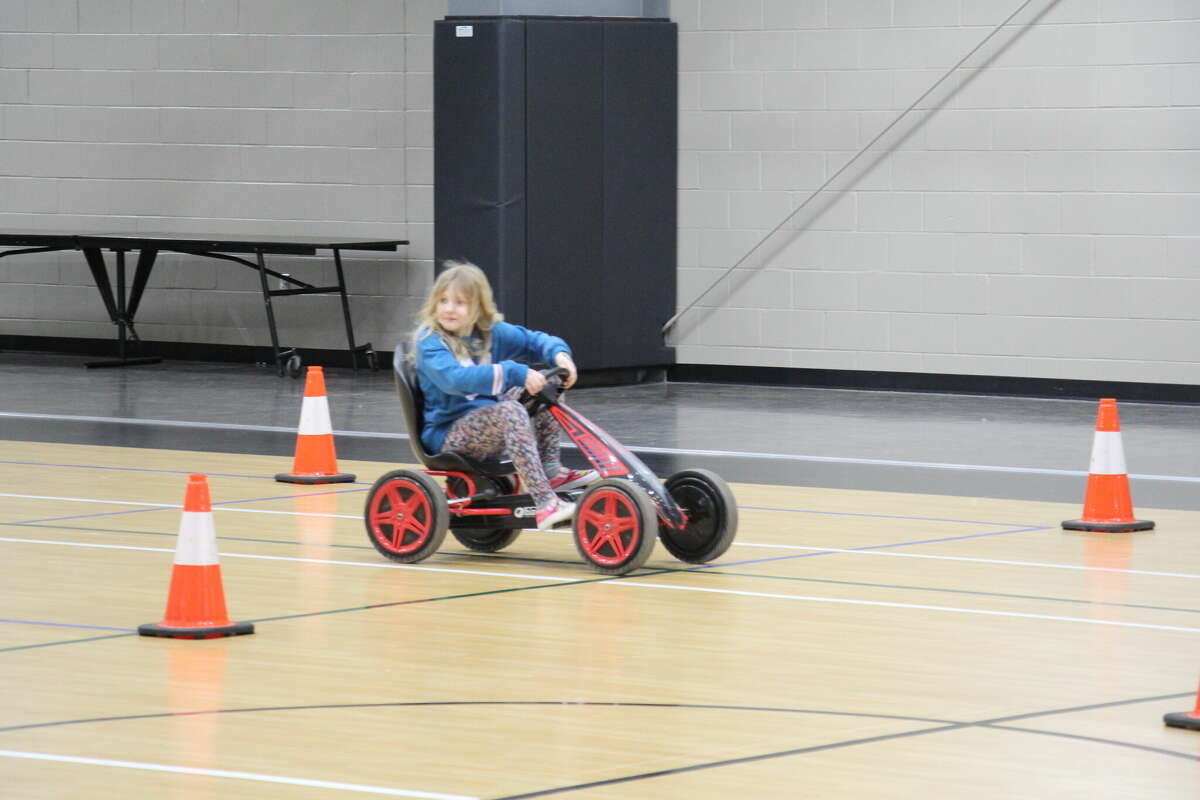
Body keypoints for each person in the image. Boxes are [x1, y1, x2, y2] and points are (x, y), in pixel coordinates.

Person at [411, 260, 598, 528]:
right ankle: (545, 503)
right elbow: (455, 379)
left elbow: (535, 340)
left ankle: (551, 471)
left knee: (550, 382)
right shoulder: (430, 342)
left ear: (478, 308)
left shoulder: (490, 334)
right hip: (448, 433)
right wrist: (514, 372)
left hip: (487, 421)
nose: (449, 309)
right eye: (443, 301)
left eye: (460, 303)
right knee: (510, 410)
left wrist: (561, 355)